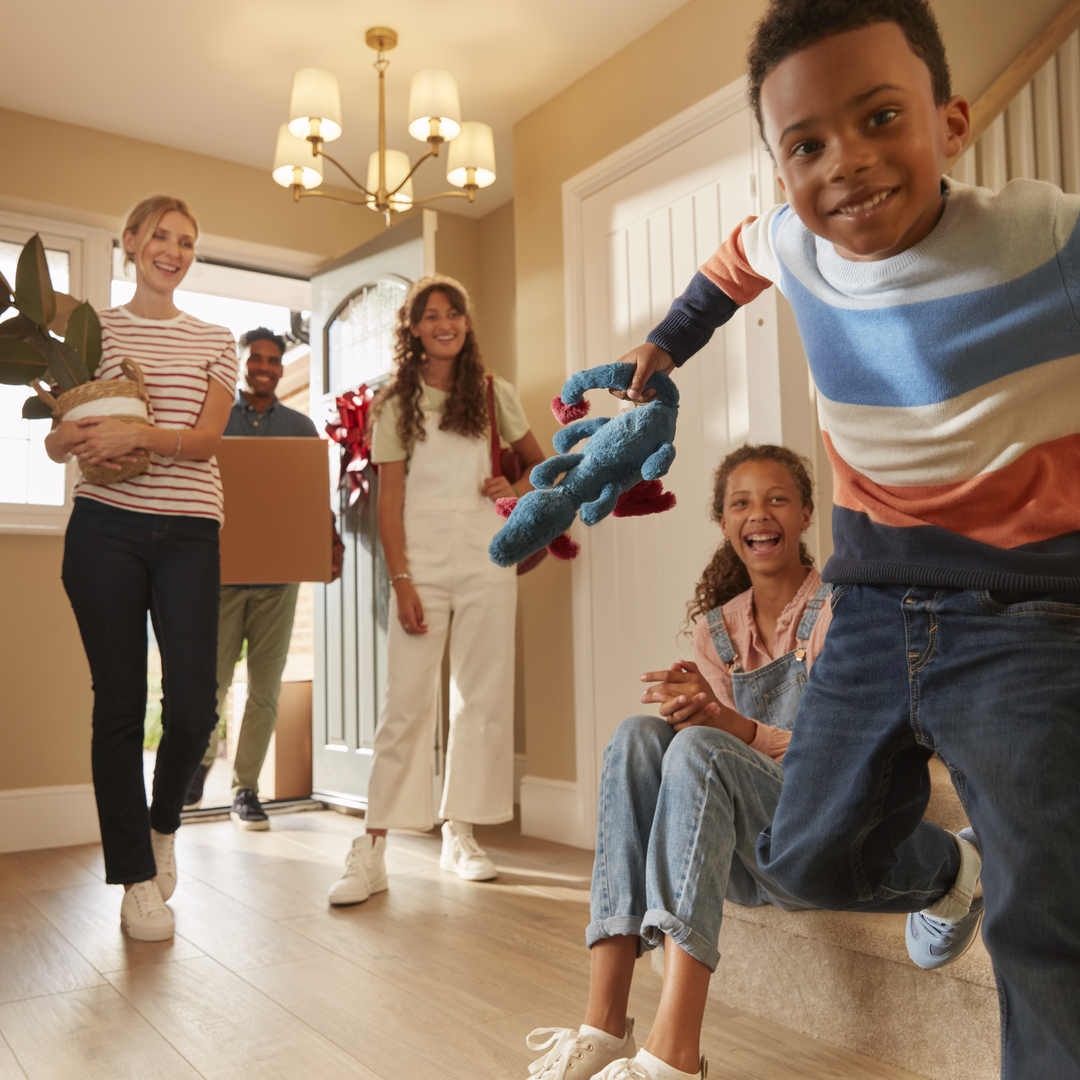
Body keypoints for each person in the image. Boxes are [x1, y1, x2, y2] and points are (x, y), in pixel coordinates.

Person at [614, 2, 1080, 1076]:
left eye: (880, 118)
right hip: (870, 610)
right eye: (807, 144)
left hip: (1024, 619)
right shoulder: (792, 238)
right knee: (806, 857)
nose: (846, 164)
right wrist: (665, 344)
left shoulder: (1044, 234)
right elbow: (730, 263)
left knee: (1045, 917)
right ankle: (945, 869)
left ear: (951, 122)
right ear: (781, 166)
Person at [524, 445, 830, 1080]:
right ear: (723, 522)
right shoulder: (717, 630)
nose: (759, 514)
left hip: (809, 833)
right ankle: (604, 1024)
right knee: (640, 734)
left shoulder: (839, 612)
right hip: (730, 852)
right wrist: (700, 708)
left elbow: (835, 758)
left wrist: (727, 724)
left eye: (777, 499)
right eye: (740, 502)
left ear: (805, 512)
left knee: (697, 746)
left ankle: (675, 1052)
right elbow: (707, 765)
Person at [46, 195, 238, 941]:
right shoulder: (92, 332)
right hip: (105, 531)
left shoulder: (216, 339)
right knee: (120, 702)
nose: (174, 250)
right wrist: (68, 441)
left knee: (194, 703)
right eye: (160, 235)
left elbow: (206, 441)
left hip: (190, 529)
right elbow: (61, 443)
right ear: (129, 242)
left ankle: (163, 827)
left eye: (186, 241)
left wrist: (137, 431)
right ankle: (134, 879)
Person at [327, 274, 545, 904]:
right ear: (414, 329)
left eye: (454, 312)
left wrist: (518, 489)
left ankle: (462, 832)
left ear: (466, 324)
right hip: (420, 561)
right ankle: (371, 849)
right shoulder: (395, 403)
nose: (444, 322)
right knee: (405, 706)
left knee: (480, 699)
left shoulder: (490, 392)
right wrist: (401, 579)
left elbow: (537, 464)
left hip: (486, 560)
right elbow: (387, 502)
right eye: (431, 315)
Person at [182, 327, 345, 828]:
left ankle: (246, 788)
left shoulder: (300, 427)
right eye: (258, 358)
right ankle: (198, 764)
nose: (267, 367)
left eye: (275, 360)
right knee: (210, 681)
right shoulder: (214, 419)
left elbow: (313, 498)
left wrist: (330, 543)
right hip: (222, 574)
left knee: (264, 687)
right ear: (242, 362)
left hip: (278, 581)